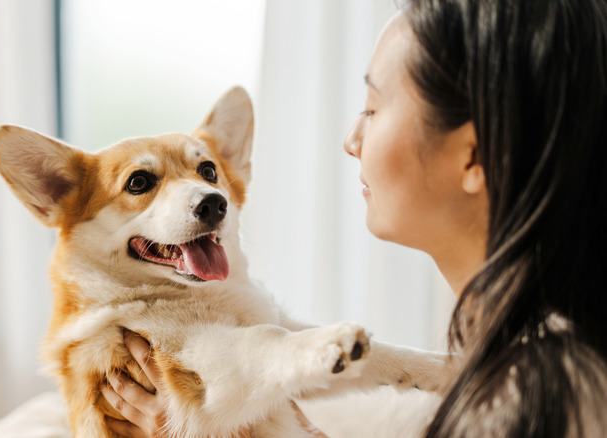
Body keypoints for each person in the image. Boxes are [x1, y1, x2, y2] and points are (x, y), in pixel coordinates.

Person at [100, 0, 607, 436]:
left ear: (475, 157)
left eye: (373, 108)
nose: (351, 140)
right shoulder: (535, 352)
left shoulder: (545, 394)